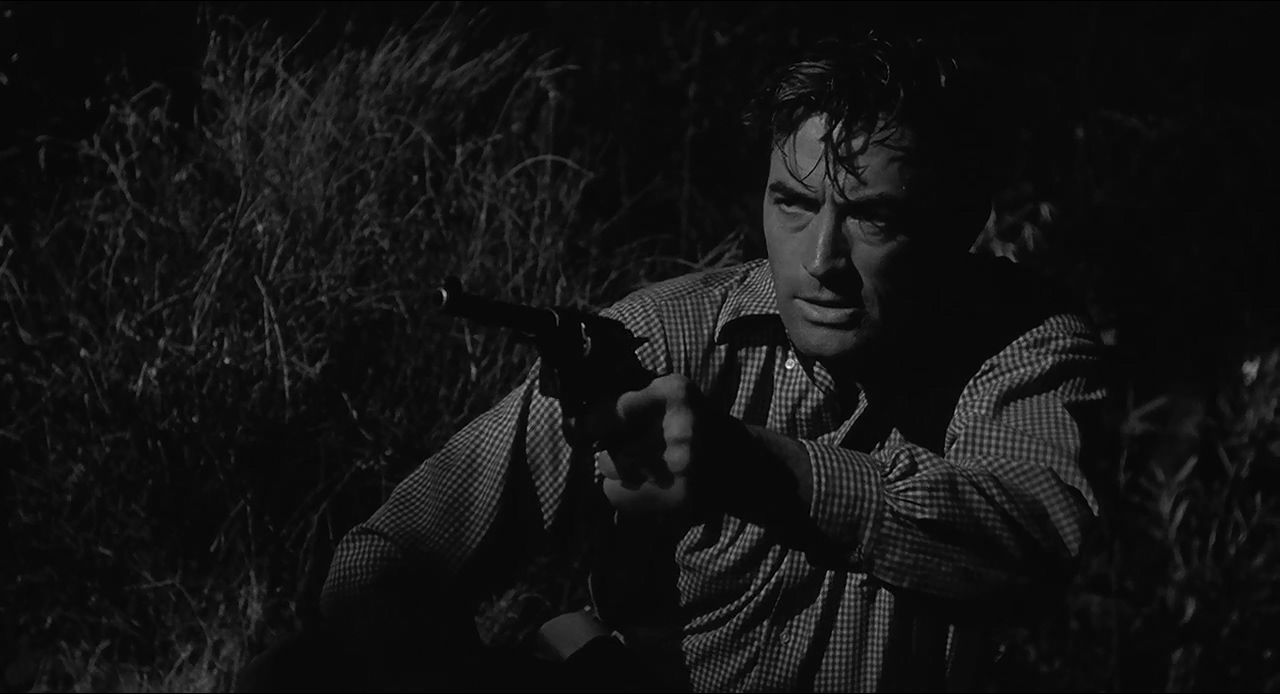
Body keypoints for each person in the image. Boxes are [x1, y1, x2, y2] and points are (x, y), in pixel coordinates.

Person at [236, 29, 1109, 693]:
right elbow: (382, 559)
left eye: (874, 218)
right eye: (793, 204)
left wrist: (761, 470)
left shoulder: (1024, 346)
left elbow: (1032, 544)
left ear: (960, 224)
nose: (820, 260)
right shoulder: (663, 337)